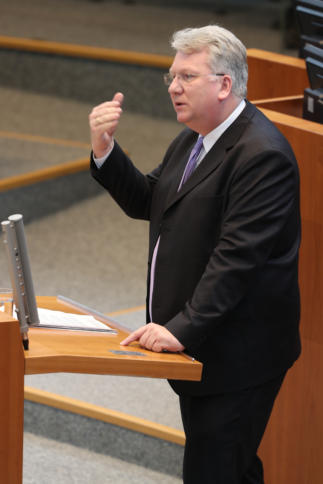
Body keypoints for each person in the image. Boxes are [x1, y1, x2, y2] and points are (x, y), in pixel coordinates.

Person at [89, 25, 301, 484]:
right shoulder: (194, 137)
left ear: (224, 84)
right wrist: (106, 153)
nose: (172, 87)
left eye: (186, 76)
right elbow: (151, 201)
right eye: (171, 76)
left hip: (238, 354)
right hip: (204, 348)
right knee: (232, 469)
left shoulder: (262, 155)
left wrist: (178, 329)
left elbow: (236, 261)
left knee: (214, 472)